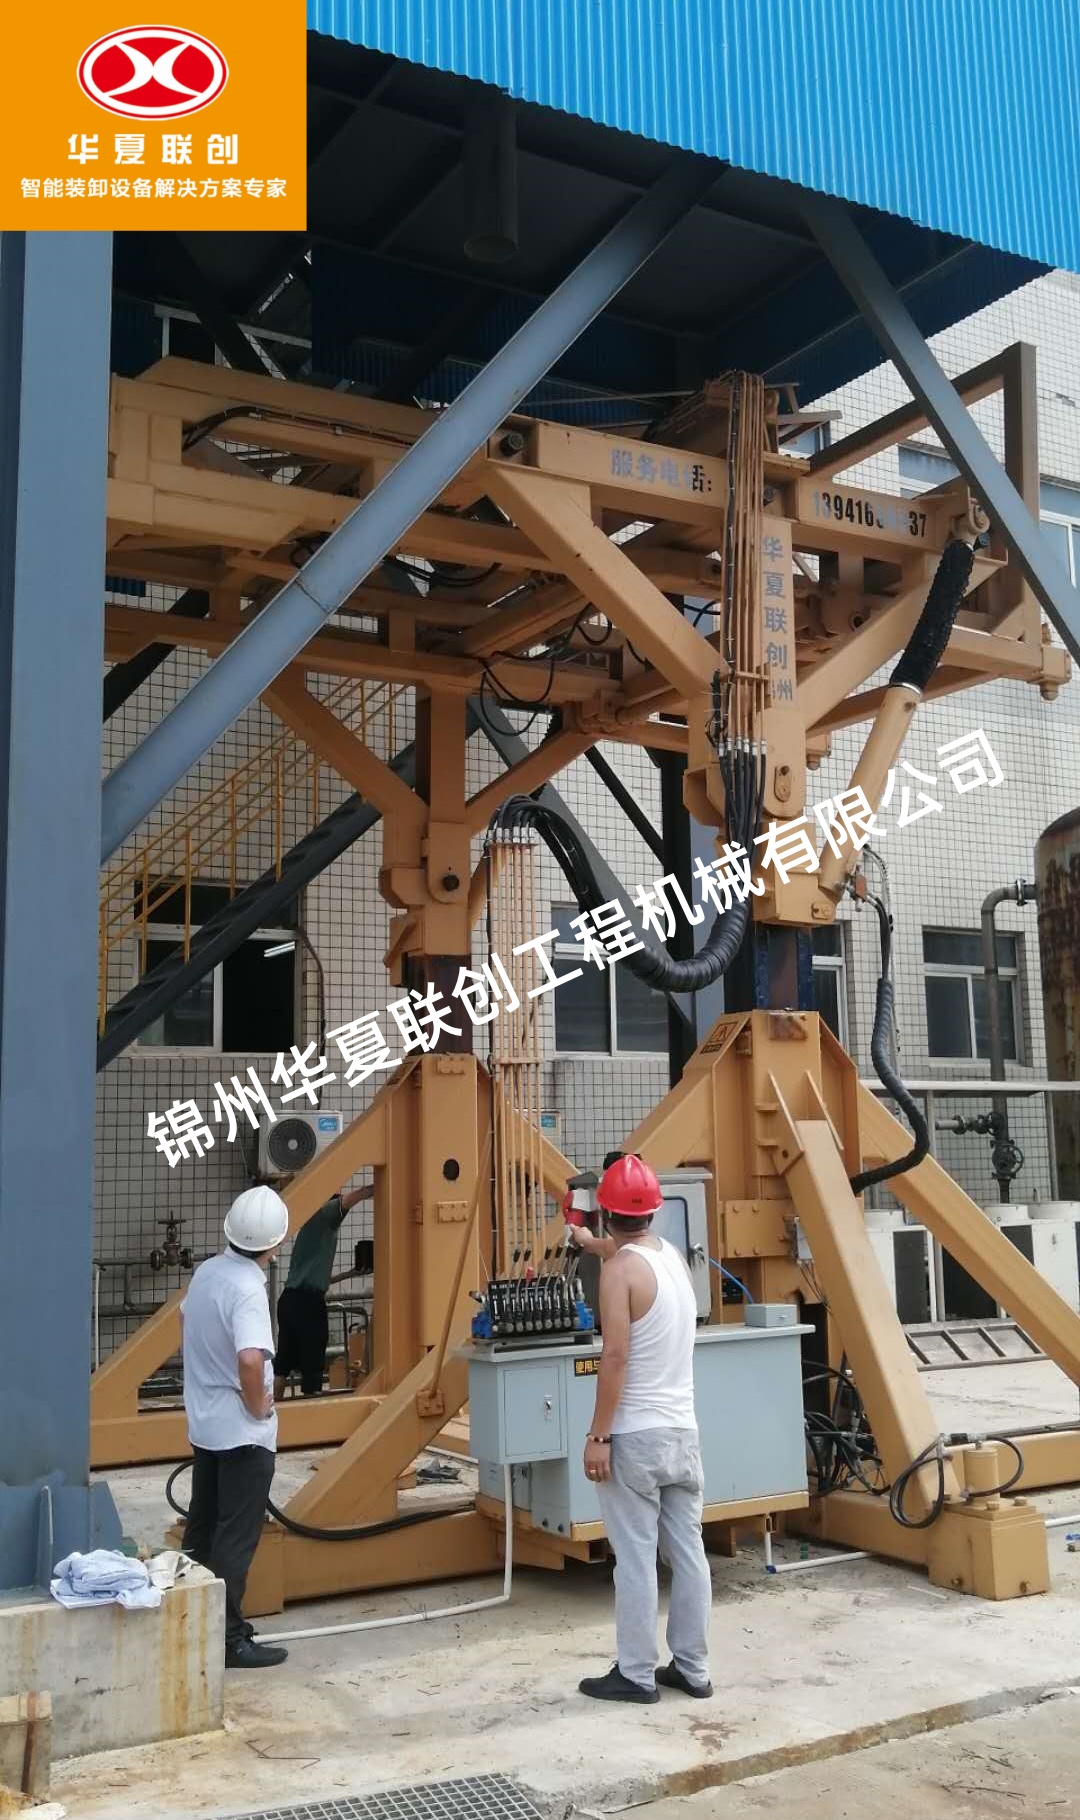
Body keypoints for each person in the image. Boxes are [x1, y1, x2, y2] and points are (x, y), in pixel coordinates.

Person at [570, 1154, 714, 1705]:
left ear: (605, 1211)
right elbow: (627, 1254)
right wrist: (591, 1243)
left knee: (634, 1558)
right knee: (690, 1554)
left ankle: (635, 1674)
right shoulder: (671, 1258)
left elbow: (615, 1357)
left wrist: (598, 1436)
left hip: (634, 1436)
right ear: (654, 1210)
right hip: (682, 1433)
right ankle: (694, 1670)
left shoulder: (617, 1273)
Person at [180, 1185, 290, 1671]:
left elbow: (187, 1324)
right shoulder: (248, 1289)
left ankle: (189, 1623)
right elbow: (249, 1358)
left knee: (202, 1528)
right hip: (243, 1435)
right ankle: (228, 1639)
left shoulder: (207, 1272)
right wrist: (257, 1406)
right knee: (234, 1538)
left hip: (206, 1427)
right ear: (276, 1242)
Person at [273, 1182, 373, 1399]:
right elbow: (353, 1197)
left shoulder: (310, 1227)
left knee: (283, 1362)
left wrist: (350, 1274)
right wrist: (377, 1189)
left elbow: (318, 1278)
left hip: (289, 1300)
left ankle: (273, 1410)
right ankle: (310, 1406)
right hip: (308, 1303)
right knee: (313, 1362)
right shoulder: (326, 1214)